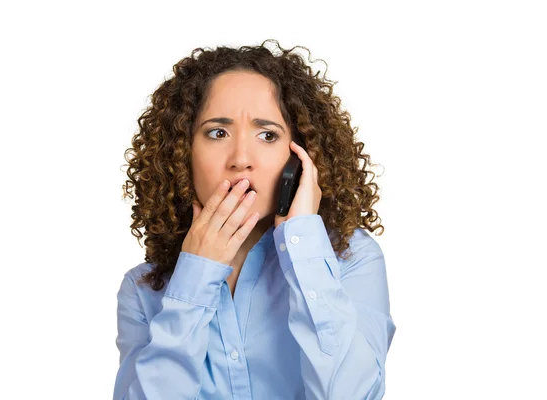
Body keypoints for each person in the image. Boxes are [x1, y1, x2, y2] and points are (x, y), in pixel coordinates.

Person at [114, 39, 396, 400]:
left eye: (267, 135)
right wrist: (195, 276)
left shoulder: (352, 259)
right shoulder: (142, 291)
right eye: (218, 133)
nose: (241, 159)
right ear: (181, 154)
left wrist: (303, 243)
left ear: (299, 157)